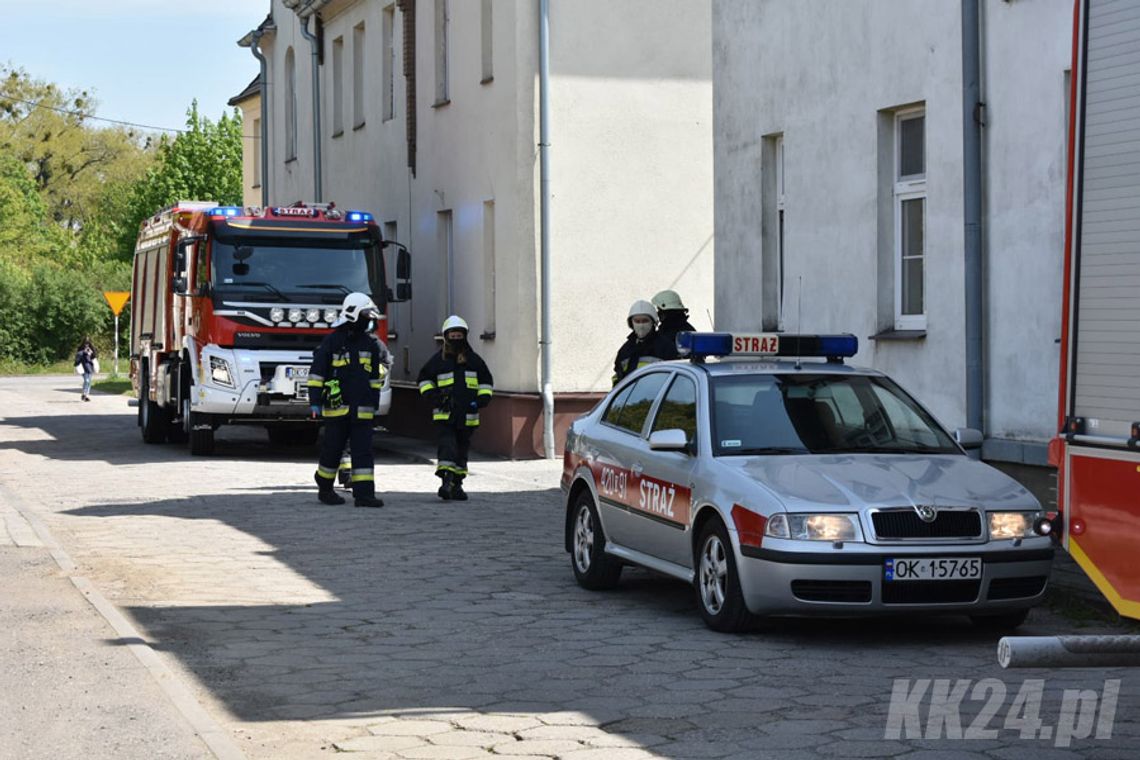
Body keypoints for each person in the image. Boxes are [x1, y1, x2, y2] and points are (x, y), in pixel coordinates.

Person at [307, 292, 387, 508]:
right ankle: (324, 487)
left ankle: (364, 495)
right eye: (366, 316)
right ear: (353, 315)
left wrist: (373, 403)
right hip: (337, 409)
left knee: (363, 452)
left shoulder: (371, 344)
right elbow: (317, 373)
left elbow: (374, 378)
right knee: (332, 450)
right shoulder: (332, 341)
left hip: (362, 409)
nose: (369, 321)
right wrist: (314, 400)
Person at [417, 316, 494, 501]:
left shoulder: (474, 361)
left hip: (468, 416)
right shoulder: (437, 361)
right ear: (446, 336)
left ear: (465, 336)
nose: (456, 338)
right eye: (453, 335)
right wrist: (433, 396)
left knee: (462, 450)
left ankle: (457, 485)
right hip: (445, 414)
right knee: (447, 446)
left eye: (459, 335)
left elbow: (486, 382)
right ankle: (445, 482)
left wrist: (482, 399)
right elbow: (424, 380)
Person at [613, 299, 662, 385]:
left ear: (653, 322)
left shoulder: (665, 347)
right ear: (631, 324)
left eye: (645, 321)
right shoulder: (625, 350)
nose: (641, 325)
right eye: (637, 321)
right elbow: (617, 378)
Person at [652, 289, 697, 360]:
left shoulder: (669, 334)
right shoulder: (688, 330)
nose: (658, 313)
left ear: (666, 312)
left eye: (659, 310)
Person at [74, 337, 98, 402]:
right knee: (86, 381)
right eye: (85, 343)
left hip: (89, 367)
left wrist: (91, 353)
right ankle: (84, 394)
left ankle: (86, 395)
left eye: (88, 343)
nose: (86, 345)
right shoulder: (80, 349)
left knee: (89, 382)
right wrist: (83, 352)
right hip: (82, 367)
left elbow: (94, 357)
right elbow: (77, 357)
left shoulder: (91, 349)